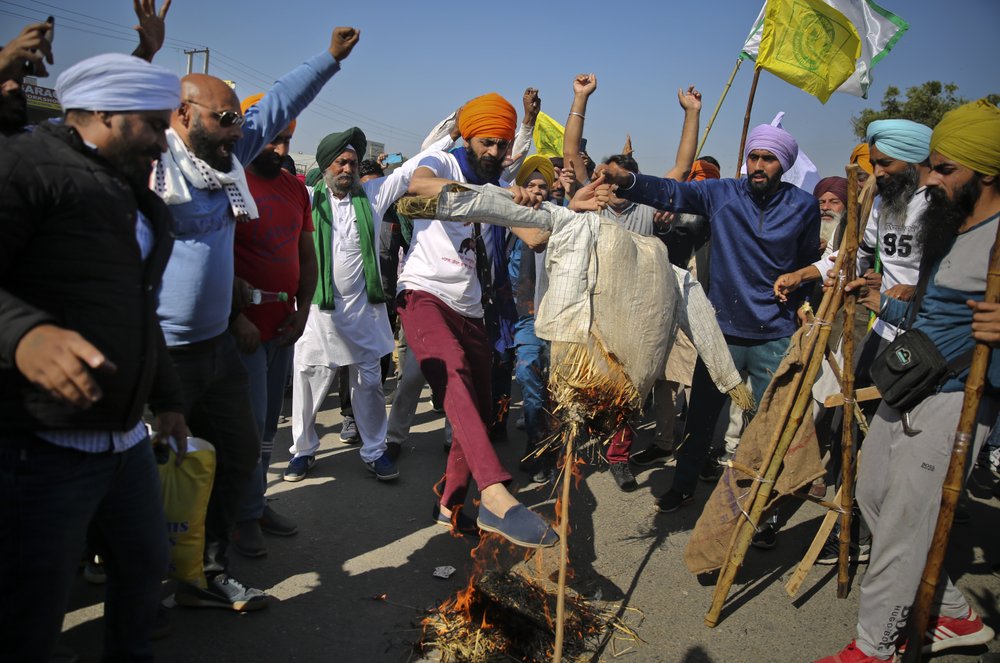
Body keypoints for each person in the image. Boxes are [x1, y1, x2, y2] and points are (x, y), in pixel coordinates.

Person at [151, 25, 360, 611]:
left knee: (237, 456)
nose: (238, 130)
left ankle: (207, 571)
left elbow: (275, 107)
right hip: (159, 356)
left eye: (237, 121)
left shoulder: (227, 159)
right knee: (151, 475)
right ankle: (142, 587)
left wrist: (329, 59)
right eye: (224, 119)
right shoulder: (150, 167)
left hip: (216, 349)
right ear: (181, 115)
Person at [0, 53, 186, 661]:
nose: (164, 142)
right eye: (155, 125)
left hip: (124, 440)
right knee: (32, 607)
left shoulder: (139, 201)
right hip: (41, 444)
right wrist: (25, 335)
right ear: (105, 111)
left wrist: (167, 401)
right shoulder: (27, 166)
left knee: (143, 568)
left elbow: (140, 313)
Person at [815, 99, 1000, 663]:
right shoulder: (946, 225)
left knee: (901, 525)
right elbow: (930, 315)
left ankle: (873, 649)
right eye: (930, 167)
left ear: (987, 174)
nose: (930, 180)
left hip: (957, 398)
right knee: (872, 497)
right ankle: (953, 612)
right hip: (909, 383)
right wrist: (883, 305)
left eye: (946, 170)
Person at [599, 124, 820, 546]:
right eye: (753, 157)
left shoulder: (804, 206)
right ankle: (683, 487)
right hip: (721, 332)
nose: (758, 166)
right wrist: (626, 180)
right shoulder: (722, 194)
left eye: (768, 159)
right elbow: (672, 192)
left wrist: (802, 293)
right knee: (700, 417)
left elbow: (810, 260)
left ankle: (764, 510)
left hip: (775, 333)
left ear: (783, 165)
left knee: (770, 427)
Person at [399, 92, 559, 548]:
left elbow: (535, 236)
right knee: (452, 378)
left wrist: (563, 212)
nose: (493, 152)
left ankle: (449, 503)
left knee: (484, 408)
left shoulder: (503, 179)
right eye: (487, 142)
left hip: (473, 307)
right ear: (469, 138)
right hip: (424, 294)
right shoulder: (443, 161)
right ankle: (494, 495)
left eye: (501, 145)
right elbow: (420, 188)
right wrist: (498, 196)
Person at [286, 127, 430, 483]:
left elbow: (409, 170)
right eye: (340, 162)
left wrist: (452, 130)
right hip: (319, 316)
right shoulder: (306, 198)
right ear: (326, 165)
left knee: (368, 385)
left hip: (364, 313)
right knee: (307, 380)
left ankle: (375, 450)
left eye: (351, 162)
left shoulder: (372, 197)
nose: (347, 168)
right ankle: (303, 450)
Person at [229, 93, 317, 557]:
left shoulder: (295, 189)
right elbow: (211, 254)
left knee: (267, 428)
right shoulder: (228, 182)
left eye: (286, 140)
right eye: (271, 139)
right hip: (241, 330)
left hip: (282, 326)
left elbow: (306, 255)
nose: (281, 151)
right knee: (245, 427)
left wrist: (303, 311)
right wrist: (235, 314)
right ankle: (240, 518)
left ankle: (256, 504)